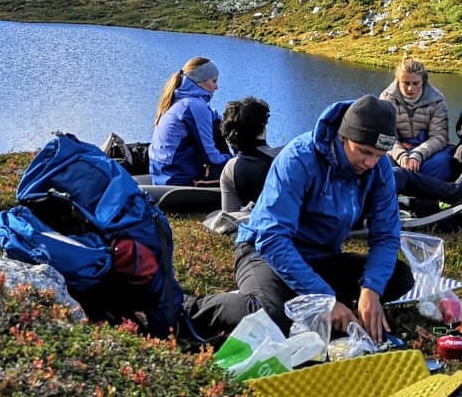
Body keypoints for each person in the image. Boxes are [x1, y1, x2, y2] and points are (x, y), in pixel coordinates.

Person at [233, 96, 412, 341]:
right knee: (272, 317)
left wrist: (371, 289)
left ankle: (309, 298)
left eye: (380, 155)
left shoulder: (377, 168)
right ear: (342, 136)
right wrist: (324, 298)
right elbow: (272, 238)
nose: (370, 163)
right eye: (364, 152)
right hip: (263, 254)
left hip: (321, 257)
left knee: (398, 277)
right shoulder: (298, 158)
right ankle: (200, 309)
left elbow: (386, 235)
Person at [148, 57, 230, 186]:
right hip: (178, 178)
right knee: (239, 171)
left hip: (162, 173)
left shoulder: (179, 100)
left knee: (217, 125)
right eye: (214, 81)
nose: (216, 87)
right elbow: (211, 156)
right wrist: (231, 160)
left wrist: (228, 121)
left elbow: (213, 116)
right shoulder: (195, 105)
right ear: (200, 81)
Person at [379, 57, 454, 181]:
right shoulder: (386, 99)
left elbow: (439, 137)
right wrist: (402, 156)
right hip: (396, 149)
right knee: (381, 164)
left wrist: (417, 155)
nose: (410, 88)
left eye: (415, 83)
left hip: (427, 149)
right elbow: (385, 137)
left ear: (423, 81)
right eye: (406, 83)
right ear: (398, 80)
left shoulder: (437, 100)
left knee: (444, 162)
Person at [219, 97, 278, 212]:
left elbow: (230, 217)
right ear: (263, 124)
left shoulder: (230, 169)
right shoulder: (284, 157)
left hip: (257, 224)